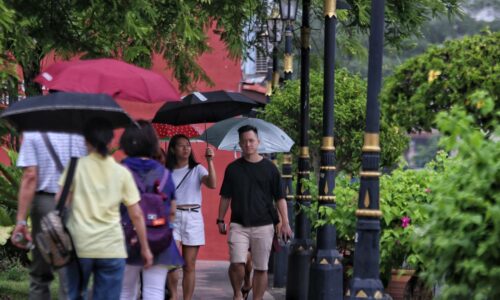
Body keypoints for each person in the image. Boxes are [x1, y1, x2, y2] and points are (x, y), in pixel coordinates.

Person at [59, 118, 153, 300]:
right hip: (111, 247)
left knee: (74, 295)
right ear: (111, 141)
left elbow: (61, 202)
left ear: (86, 140)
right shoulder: (122, 172)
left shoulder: (74, 167)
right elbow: (136, 214)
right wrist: (145, 248)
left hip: (79, 245)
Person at [217, 125, 293, 300]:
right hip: (238, 224)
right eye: (244, 141)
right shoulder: (233, 168)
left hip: (264, 225)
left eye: (251, 140)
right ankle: (237, 293)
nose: (248, 144)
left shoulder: (271, 169)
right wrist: (220, 219)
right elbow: (225, 196)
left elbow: (280, 198)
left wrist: (285, 223)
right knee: (237, 263)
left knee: (261, 268)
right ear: (240, 144)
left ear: (258, 142)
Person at [11, 130, 86, 300]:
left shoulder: (33, 134)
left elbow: (30, 175)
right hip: (74, 203)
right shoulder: (78, 136)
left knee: (40, 271)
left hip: (45, 205)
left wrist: (21, 221)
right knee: (70, 269)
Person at [119, 120, 183, 300]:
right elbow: (172, 211)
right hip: (159, 238)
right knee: (154, 292)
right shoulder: (164, 174)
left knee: (125, 291)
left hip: (126, 238)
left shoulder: (120, 170)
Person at [165, 134, 216, 300]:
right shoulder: (166, 171)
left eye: (188, 145)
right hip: (173, 218)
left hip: (193, 217)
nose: (186, 148)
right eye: (181, 145)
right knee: (172, 263)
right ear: (172, 149)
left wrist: (210, 161)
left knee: (189, 265)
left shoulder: (197, 169)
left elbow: (212, 184)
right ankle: (173, 295)